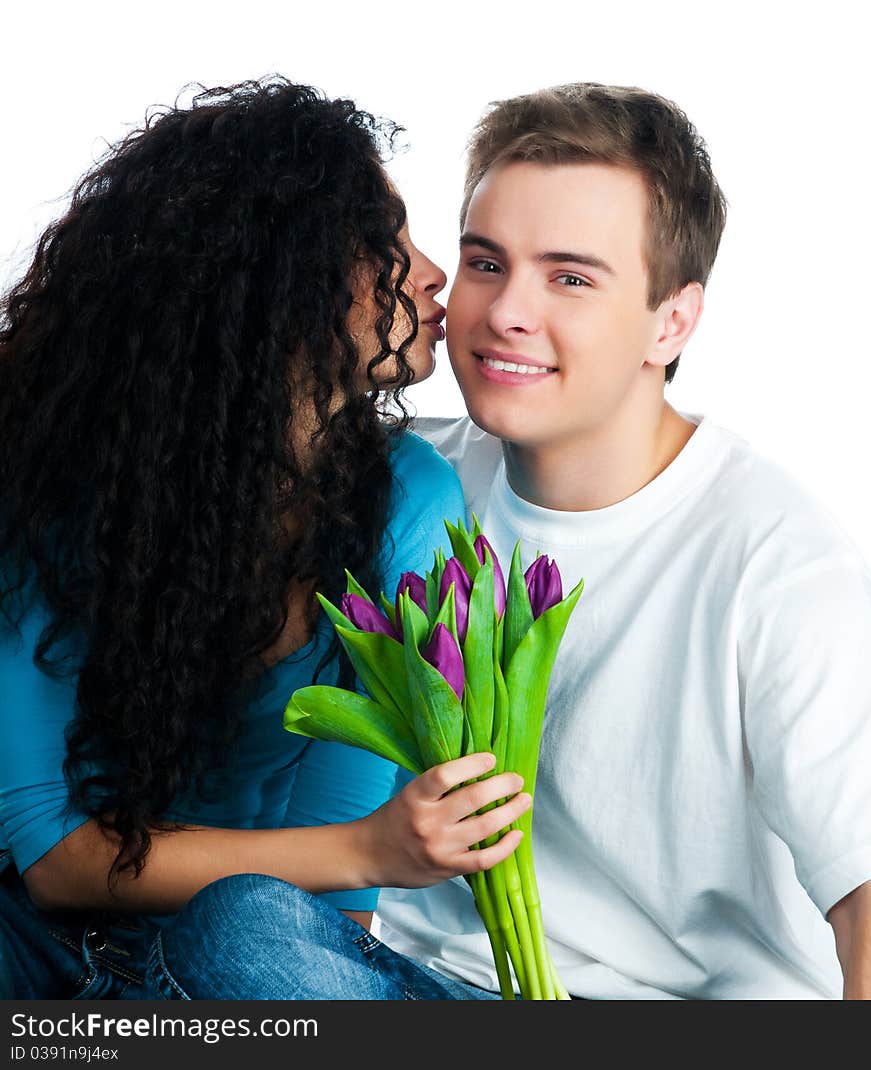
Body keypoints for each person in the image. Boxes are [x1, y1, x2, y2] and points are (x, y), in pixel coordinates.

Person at [171, 82, 871, 1000]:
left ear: (673, 321)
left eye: (571, 277)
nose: (508, 312)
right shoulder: (397, 484)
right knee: (236, 925)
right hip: (433, 988)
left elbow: (869, 897)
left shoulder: (778, 561)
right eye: (486, 262)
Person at [0, 79, 531, 1000]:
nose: (432, 270)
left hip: (237, 945)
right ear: (273, 277)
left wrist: (370, 852)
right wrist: (369, 848)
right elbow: (53, 854)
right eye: (386, 242)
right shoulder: (47, 485)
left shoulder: (407, 504)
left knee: (240, 927)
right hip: (40, 941)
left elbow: (336, 911)